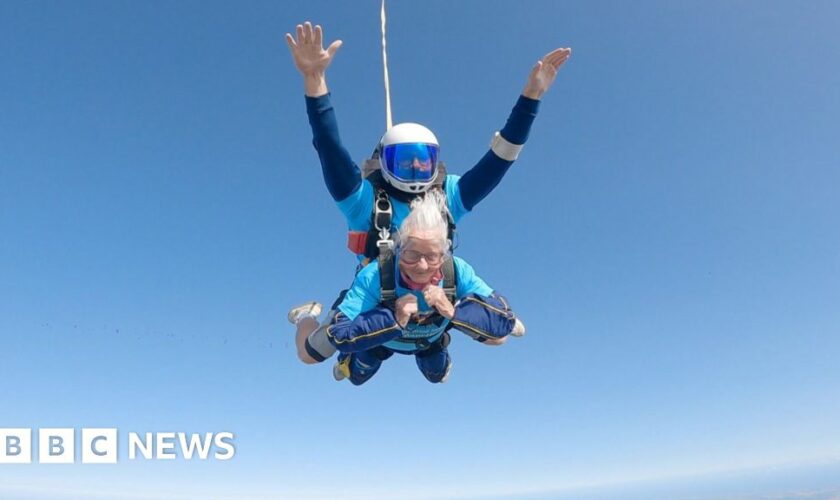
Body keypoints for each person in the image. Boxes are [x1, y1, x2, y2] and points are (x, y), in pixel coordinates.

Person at [284, 21, 570, 366]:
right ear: (384, 161)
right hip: (378, 297)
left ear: (437, 163)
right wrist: (314, 81)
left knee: (499, 338)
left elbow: (501, 158)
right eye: (405, 162)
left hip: (434, 296)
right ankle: (307, 316)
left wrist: (531, 97)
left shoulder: (448, 196)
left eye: (425, 162)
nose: (417, 170)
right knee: (311, 354)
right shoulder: (366, 202)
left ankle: (437, 343)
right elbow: (329, 149)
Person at [325, 191, 521, 384]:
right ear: (398, 249)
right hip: (381, 339)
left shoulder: (456, 270)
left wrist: (453, 312)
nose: (422, 266)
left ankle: (444, 346)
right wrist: (393, 318)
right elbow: (338, 332)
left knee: (436, 374)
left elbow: (505, 320)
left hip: (429, 340)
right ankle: (334, 350)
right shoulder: (376, 274)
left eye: (432, 256)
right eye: (411, 254)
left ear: (444, 255)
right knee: (357, 376)